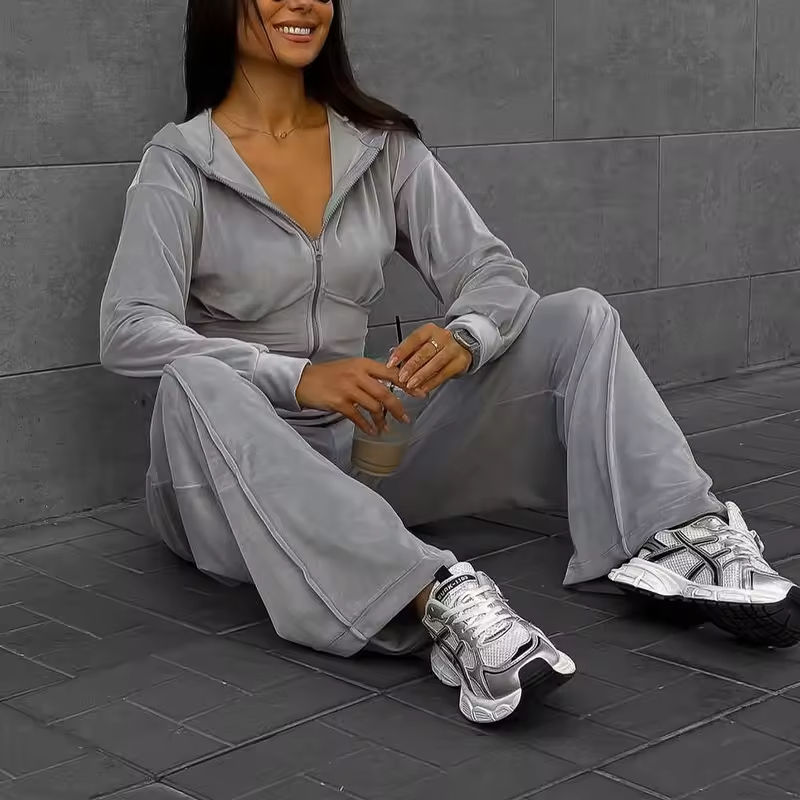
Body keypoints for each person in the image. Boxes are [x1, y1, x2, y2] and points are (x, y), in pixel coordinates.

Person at [99, 0, 799, 725]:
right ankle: (433, 599)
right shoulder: (180, 163)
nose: (303, 2)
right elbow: (129, 329)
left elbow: (492, 270)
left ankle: (677, 540)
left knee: (578, 316)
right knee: (196, 377)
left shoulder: (381, 148)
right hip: (226, 482)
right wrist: (295, 377)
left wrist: (467, 334)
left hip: (363, 455)